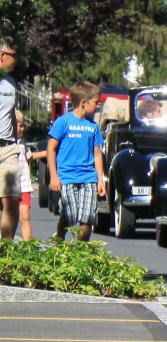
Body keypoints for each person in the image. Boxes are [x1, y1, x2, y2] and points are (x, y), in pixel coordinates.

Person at [47, 81, 107, 241]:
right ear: (83, 102)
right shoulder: (63, 122)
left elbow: (97, 154)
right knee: (69, 216)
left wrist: (100, 180)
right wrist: (54, 176)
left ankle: (80, 250)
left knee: (87, 218)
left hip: (88, 178)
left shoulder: (93, 127)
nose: (97, 106)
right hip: (67, 178)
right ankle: (59, 238)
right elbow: (51, 150)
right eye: (96, 102)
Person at [0, 39, 24, 240]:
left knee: (13, 199)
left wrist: (15, 142)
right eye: (14, 55)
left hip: (8, 148)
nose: (17, 60)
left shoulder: (10, 82)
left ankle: (5, 250)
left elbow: (11, 114)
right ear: (2, 55)